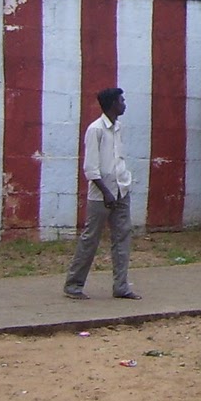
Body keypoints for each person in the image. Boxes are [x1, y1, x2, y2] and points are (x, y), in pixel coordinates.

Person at [63, 87, 139, 301]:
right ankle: (74, 284)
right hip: (101, 194)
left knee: (122, 237)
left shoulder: (118, 128)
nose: (124, 104)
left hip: (121, 189)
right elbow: (91, 168)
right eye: (121, 100)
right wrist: (106, 193)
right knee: (91, 238)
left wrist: (123, 184)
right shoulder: (95, 129)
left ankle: (121, 286)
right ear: (113, 104)